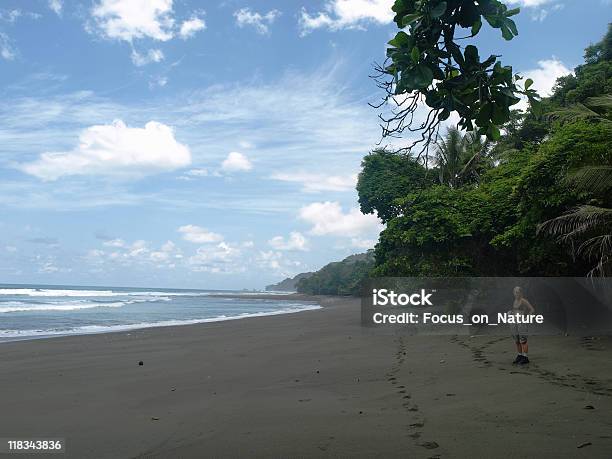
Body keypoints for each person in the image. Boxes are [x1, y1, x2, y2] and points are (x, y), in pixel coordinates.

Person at [510, 286, 535, 365]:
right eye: (515, 292)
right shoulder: (515, 301)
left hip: (521, 322)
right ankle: (519, 355)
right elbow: (515, 310)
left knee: (523, 340)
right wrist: (511, 312)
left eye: (517, 292)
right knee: (517, 340)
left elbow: (532, 310)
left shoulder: (523, 301)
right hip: (514, 322)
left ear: (521, 293)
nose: (516, 294)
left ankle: (525, 357)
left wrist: (526, 317)